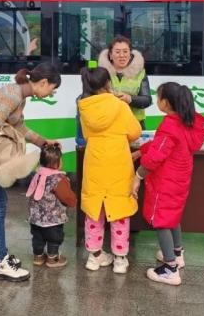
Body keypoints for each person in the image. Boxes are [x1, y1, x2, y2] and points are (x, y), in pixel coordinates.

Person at [0, 62, 61, 282]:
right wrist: (7, 154)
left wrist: (43, 142)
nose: (51, 93)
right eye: (52, 89)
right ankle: (1, 262)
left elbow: (19, 127)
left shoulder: (19, 95)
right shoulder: (13, 95)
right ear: (43, 82)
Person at [131, 82, 204, 286]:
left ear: (166, 102)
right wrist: (141, 151)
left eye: (158, 98)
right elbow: (162, 144)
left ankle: (170, 269)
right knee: (172, 216)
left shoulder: (169, 125)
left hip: (165, 181)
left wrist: (138, 176)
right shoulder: (186, 122)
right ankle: (177, 254)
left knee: (161, 221)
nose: (157, 101)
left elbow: (156, 156)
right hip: (179, 180)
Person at [78, 66, 141, 274]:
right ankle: (120, 259)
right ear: (108, 83)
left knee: (94, 210)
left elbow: (86, 135)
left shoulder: (84, 106)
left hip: (94, 162)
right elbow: (135, 132)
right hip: (117, 162)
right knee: (119, 210)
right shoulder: (119, 105)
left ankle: (94, 257)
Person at [25, 143, 77, 268]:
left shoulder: (37, 175)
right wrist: (74, 201)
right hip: (53, 221)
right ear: (57, 163)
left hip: (35, 219)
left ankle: (38, 257)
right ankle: (52, 259)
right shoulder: (58, 179)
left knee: (37, 238)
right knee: (54, 239)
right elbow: (67, 197)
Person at [98, 36, 152, 128]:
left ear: (130, 54)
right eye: (117, 52)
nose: (122, 55)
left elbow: (147, 100)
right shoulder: (101, 73)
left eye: (125, 51)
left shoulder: (140, 73)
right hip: (109, 123)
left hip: (135, 124)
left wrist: (130, 99)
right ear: (110, 55)